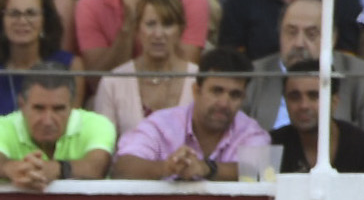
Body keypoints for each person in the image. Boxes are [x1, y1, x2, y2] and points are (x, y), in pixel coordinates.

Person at [113, 47, 270, 181]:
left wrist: (207, 168)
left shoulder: (250, 132)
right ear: (196, 91)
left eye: (235, 95)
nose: (224, 103)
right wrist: (167, 167)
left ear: (243, 99)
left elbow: (258, 171)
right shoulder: (161, 125)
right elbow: (123, 167)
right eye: (216, 91)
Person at [243, 0, 364, 136]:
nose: (299, 43)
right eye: (291, 32)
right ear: (279, 34)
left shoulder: (363, 76)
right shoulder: (253, 74)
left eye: (311, 34)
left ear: (332, 38)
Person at [0, 64, 114, 187]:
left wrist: (56, 169)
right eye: (39, 108)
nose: (47, 121)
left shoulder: (98, 125)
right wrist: (15, 170)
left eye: (58, 109)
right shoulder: (1, 126)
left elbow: (96, 168)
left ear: (72, 106)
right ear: (22, 105)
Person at [89, 0, 196, 137]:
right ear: (137, 29)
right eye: (150, 24)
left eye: (167, 24)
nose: (158, 34)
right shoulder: (113, 83)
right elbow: (101, 144)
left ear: (181, 30)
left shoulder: (198, 79)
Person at [0, 0, 82, 127]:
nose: (22, 21)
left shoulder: (71, 67)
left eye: (31, 13)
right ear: (1, 20)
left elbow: (72, 129)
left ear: (44, 20)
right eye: (14, 14)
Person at [271, 59, 364, 173]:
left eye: (314, 96)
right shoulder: (271, 146)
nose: (303, 105)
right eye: (294, 97)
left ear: (334, 102)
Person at [74, 0, 209, 73]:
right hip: (122, 94)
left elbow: (185, 73)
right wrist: (129, 24)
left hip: (174, 91)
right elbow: (98, 81)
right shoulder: (90, 3)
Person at [219, 0, 362, 62]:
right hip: (261, 93)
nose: (299, 43)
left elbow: (346, 63)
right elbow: (233, 65)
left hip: (326, 89)